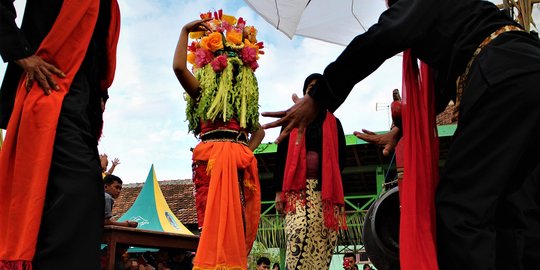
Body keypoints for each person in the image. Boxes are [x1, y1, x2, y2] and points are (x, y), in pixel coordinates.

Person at [262, 0, 540, 269]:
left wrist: (319, 96)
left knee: (460, 209)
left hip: (503, 77)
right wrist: (400, 131)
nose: (390, 8)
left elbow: (378, 39)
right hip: (524, 72)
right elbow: (439, 95)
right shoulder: (456, 21)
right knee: (517, 211)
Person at [0, 0, 120, 269]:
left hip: (81, 107)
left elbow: (98, 52)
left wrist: (100, 94)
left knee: (79, 199)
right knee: (76, 193)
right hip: (49, 93)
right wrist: (20, 52)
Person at [172, 10, 265, 270]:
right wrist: (184, 32)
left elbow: (259, 131)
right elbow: (179, 67)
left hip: (234, 162)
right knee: (210, 220)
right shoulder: (202, 93)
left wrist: (244, 150)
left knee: (237, 221)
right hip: (211, 161)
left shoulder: (243, 104)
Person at [273, 74, 346, 270]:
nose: (312, 91)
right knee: (299, 233)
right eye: (310, 88)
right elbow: (280, 158)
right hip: (298, 193)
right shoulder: (294, 117)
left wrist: (333, 184)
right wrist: (279, 191)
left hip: (325, 193)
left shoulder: (334, 122)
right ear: (305, 92)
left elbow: (342, 158)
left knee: (325, 237)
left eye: (317, 88)